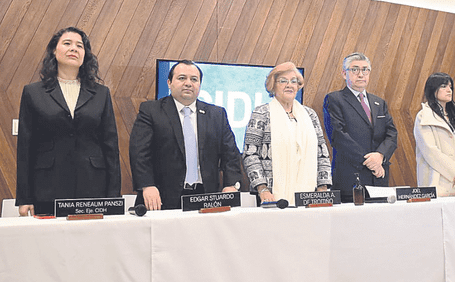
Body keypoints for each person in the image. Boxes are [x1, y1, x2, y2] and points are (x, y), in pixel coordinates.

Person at [15, 26, 119, 282]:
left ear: (86, 54)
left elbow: (110, 146)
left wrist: (112, 198)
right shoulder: (33, 92)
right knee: (54, 267)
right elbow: (26, 147)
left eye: (80, 45)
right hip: (48, 189)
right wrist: (23, 197)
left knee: (89, 267)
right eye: (67, 43)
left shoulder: (100, 93)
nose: (74, 49)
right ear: (54, 51)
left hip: (92, 188)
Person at [129, 60, 242, 211]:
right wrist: (147, 185)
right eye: (182, 78)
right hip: (161, 198)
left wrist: (231, 185)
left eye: (194, 79)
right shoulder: (151, 111)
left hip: (205, 196)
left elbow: (231, 154)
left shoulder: (216, 114)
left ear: (199, 85)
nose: (188, 83)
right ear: (169, 83)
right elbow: (139, 152)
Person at [243, 62, 332, 206]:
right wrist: (262, 188)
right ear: (273, 85)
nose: (289, 85)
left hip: (308, 197)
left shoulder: (310, 115)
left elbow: (322, 153)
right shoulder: (261, 113)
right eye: (283, 81)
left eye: (293, 81)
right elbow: (250, 154)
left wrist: (323, 188)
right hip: (271, 196)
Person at [323, 53, 397, 202]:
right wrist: (370, 162)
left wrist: (380, 156)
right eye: (355, 70)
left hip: (379, 177)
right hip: (351, 178)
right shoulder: (335, 99)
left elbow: (392, 134)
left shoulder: (379, 102)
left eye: (365, 70)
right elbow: (338, 136)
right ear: (344, 73)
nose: (361, 74)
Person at [414, 72, 455, 196]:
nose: (449, 90)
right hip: (437, 181)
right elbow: (431, 152)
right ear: (433, 89)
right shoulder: (424, 116)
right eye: (444, 86)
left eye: (450, 87)